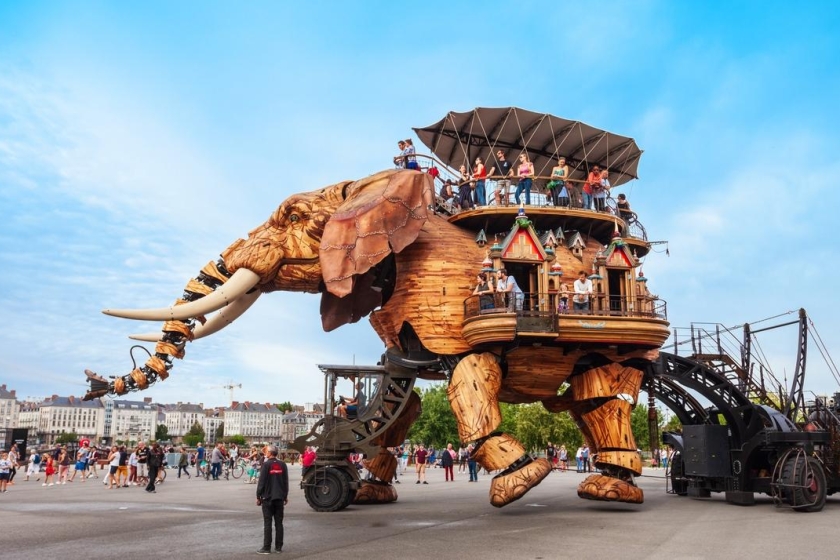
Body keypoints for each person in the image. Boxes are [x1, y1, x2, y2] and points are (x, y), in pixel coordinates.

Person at [255, 445, 289, 554]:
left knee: (268, 523)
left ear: (270, 453)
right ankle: (278, 547)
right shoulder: (283, 464)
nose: (266, 453)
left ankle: (266, 547)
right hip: (279, 497)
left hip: (268, 497)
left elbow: (262, 482)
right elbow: (285, 482)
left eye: (267, 452)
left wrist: (258, 496)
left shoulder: (266, 465)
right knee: (279, 523)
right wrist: (285, 496)